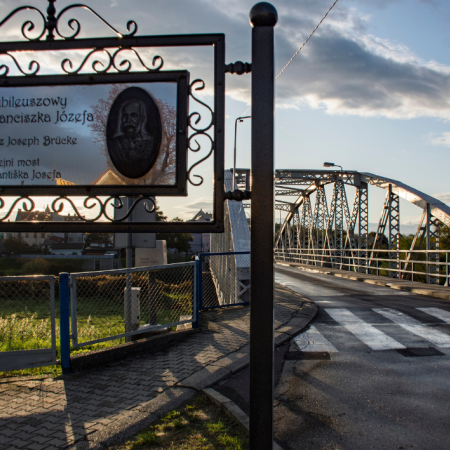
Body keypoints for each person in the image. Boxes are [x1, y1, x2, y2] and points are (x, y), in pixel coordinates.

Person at [108, 100, 154, 178]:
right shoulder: (114, 143)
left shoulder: (151, 142)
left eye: (134, 116)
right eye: (125, 116)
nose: (128, 120)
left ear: (142, 119)